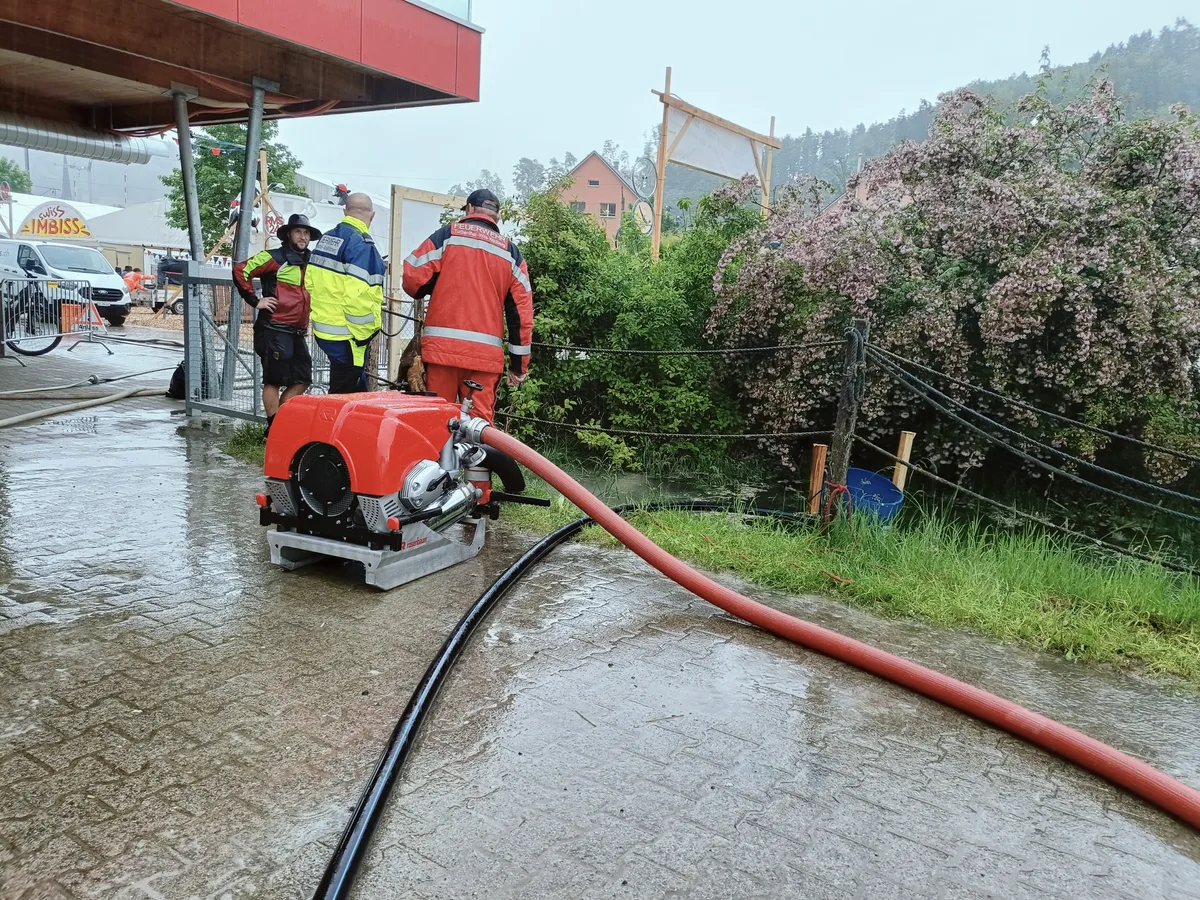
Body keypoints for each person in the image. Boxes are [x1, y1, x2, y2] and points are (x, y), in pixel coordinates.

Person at [402, 188, 533, 423]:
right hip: (484, 359)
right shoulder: (511, 254)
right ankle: (472, 461)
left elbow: (412, 277)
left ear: (469, 209)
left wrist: (435, 284)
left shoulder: (448, 236)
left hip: (441, 353)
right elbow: (521, 316)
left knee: (436, 423)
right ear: (497, 216)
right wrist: (518, 366)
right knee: (478, 430)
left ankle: (436, 461)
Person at [233, 213, 321, 434]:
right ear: (288, 234)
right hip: (273, 328)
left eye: (306, 233)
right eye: (298, 231)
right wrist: (256, 301)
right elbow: (241, 270)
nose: (303, 237)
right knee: (273, 380)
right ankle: (274, 430)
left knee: (303, 378)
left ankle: (279, 425)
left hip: (298, 331)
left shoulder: (312, 261)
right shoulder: (274, 257)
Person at [308, 193, 385, 393]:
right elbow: (358, 297)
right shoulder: (362, 245)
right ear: (372, 215)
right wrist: (364, 335)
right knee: (346, 399)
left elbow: (309, 281)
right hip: (349, 337)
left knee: (345, 391)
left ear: (345, 211)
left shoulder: (327, 239)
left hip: (324, 331)